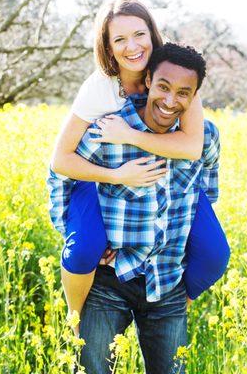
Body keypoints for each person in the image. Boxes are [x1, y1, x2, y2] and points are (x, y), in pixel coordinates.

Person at [47, 0, 229, 336]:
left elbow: (191, 147)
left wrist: (129, 135)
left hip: (166, 174)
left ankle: (170, 306)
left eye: (139, 34)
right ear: (108, 48)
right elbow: (61, 160)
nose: (132, 46)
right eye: (119, 40)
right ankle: (74, 322)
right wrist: (117, 176)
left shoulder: (171, 73)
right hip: (93, 172)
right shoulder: (99, 88)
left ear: (152, 34)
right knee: (85, 248)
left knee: (215, 254)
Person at [64, 42, 220, 373]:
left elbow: (208, 188)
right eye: (163, 86)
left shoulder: (204, 137)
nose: (170, 100)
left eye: (183, 93)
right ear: (148, 80)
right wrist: (81, 236)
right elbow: (63, 176)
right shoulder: (109, 130)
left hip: (167, 280)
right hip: (110, 280)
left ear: (194, 99)